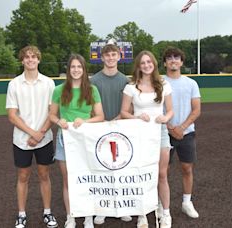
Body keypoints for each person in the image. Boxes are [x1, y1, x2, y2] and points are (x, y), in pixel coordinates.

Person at [49, 54, 104, 228]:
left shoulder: (92, 89)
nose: (76, 70)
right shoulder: (59, 90)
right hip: (65, 139)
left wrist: (85, 121)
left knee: (87, 179)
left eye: (79, 67)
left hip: (86, 140)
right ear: (68, 69)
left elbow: (101, 116)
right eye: (73, 67)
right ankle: (70, 216)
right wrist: (59, 121)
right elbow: (51, 114)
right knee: (68, 180)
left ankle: (88, 216)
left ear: (84, 69)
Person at [6, 45, 58, 228]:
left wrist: (40, 133)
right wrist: (32, 133)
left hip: (44, 138)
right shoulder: (14, 84)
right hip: (22, 140)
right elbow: (12, 115)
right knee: (23, 176)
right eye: (26, 57)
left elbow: (53, 112)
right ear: (22, 60)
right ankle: (21, 214)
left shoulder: (49, 83)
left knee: (44, 175)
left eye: (33, 57)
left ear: (39, 59)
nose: (30, 60)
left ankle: (47, 212)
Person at [120, 50, 174, 228]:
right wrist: (137, 117)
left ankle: (165, 212)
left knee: (161, 174)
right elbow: (124, 112)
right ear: (138, 66)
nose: (146, 65)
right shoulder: (131, 86)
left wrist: (166, 118)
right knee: (141, 174)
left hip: (160, 132)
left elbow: (170, 110)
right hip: (139, 133)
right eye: (143, 63)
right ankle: (142, 214)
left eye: (149, 62)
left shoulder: (163, 84)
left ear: (154, 64)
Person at [90, 43, 132, 225]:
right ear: (102, 58)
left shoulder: (125, 80)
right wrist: (101, 122)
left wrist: (115, 120)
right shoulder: (93, 81)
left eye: (113, 54)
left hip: (120, 127)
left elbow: (129, 106)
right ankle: (101, 208)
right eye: (107, 55)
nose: (110, 58)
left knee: (120, 166)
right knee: (101, 168)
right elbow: (89, 105)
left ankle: (121, 206)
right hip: (98, 129)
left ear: (119, 56)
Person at [162, 47, 201, 219]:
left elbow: (196, 109)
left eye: (176, 57)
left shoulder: (191, 83)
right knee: (163, 171)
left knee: (187, 168)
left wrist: (182, 128)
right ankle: (160, 204)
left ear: (182, 62)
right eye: (169, 58)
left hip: (186, 133)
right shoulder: (159, 82)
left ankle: (186, 202)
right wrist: (171, 127)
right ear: (164, 63)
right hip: (164, 132)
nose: (173, 60)